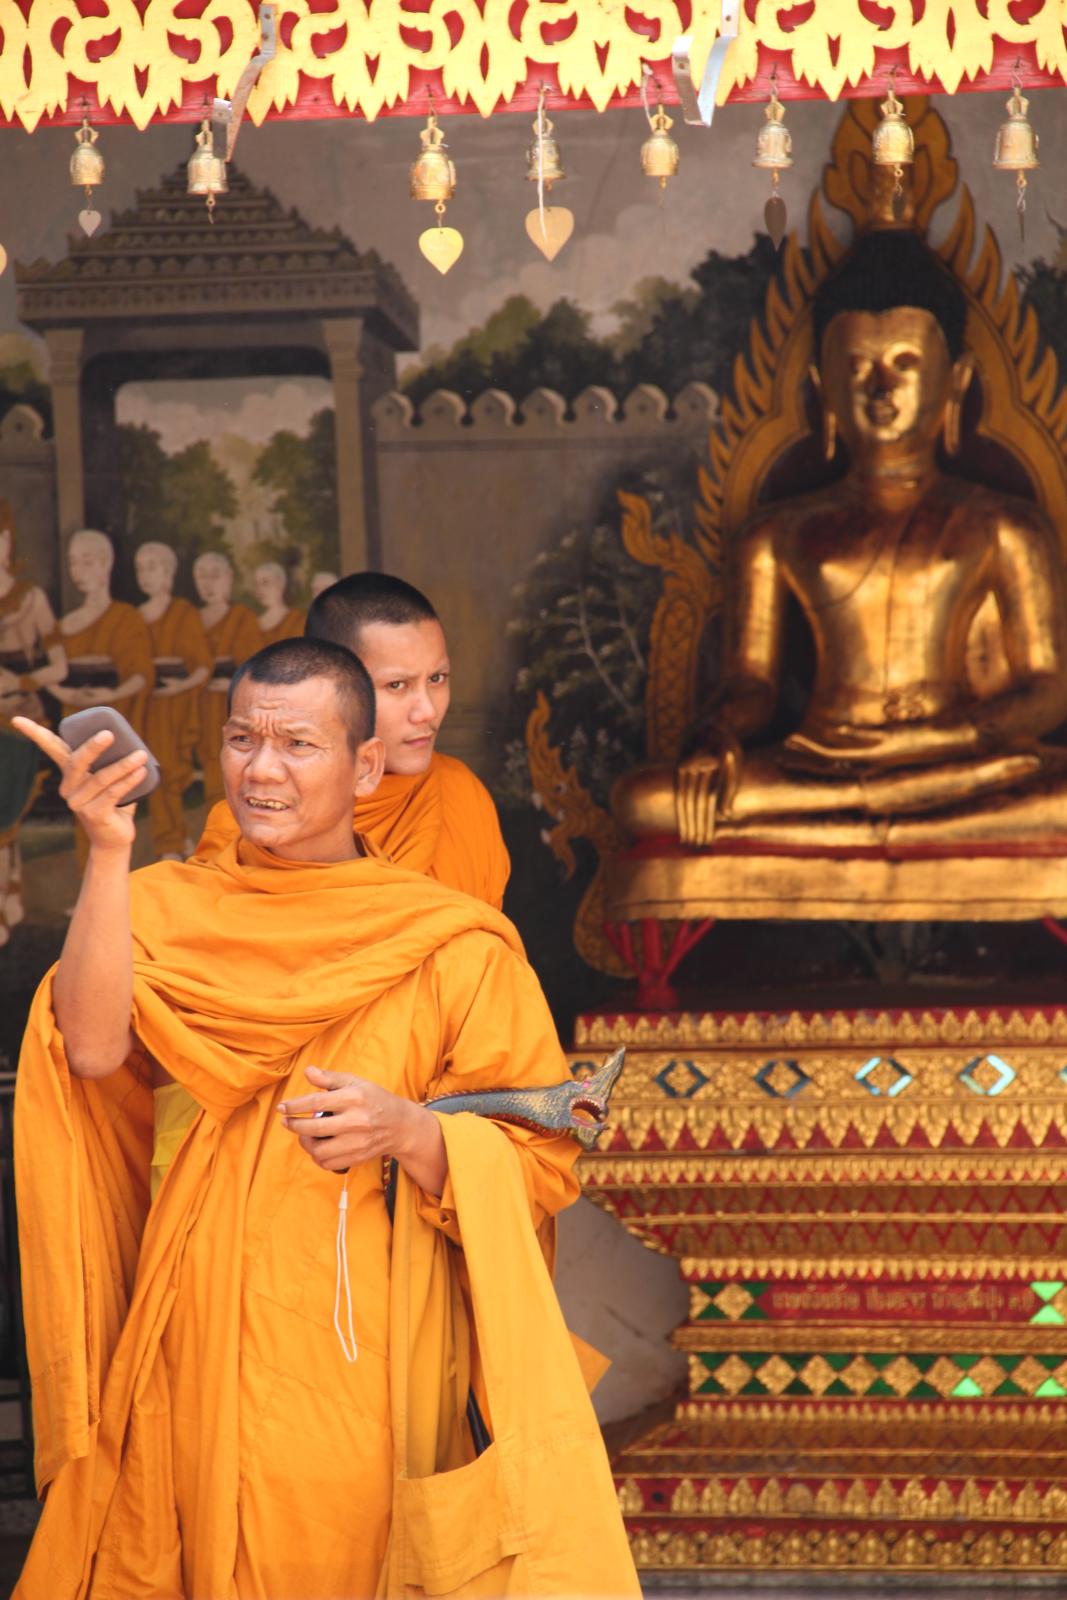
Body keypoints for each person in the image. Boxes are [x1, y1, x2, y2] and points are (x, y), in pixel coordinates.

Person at [12, 637, 637, 1599]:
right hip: (198, 1314)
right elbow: (90, 1049)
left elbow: (544, 1164)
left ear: (366, 766)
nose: (262, 770)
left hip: (364, 1343)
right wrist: (106, 851)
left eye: (297, 745)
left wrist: (413, 1133)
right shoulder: (171, 905)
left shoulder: (449, 944)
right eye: (241, 740)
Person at [613, 228, 1067, 848]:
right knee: (644, 800)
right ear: (823, 387)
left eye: (905, 364)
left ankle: (875, 824)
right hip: (821, 763)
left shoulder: (1006, 526)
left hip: (959, 761)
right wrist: (714, 734)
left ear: (956, 381)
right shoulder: (774, 535)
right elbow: (752, 686)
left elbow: (1050, 688)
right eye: (858, 368)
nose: (881, 389)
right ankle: (892, 822)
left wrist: (942, 738)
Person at [196, 573, 510, 907]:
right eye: (397, 686)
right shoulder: (251, 818)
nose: (427, 711)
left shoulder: (460, 793)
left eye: (437, 678)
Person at [0, 503, 67, 944]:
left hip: (18, 723)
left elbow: (60, 665)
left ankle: (8, 899)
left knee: (7, 814)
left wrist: (19, 679)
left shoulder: (31, 600)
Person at [136, 542, 213, 860]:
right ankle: (169, 841)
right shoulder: (135, 617)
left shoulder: (183, 613)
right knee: (155, 772)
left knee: (173, 773)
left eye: (153, 567)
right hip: (147, 706)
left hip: (179, 705)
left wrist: (179, 686)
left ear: (169, 572)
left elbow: (203, 666)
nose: (146, 575)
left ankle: (179, 838)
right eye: (141, 568)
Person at [193, 550, 261, 808]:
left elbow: (255, 665)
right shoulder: (190, 619)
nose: (208, 583)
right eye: (202, 576)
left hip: (234, 704)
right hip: (197, 703)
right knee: (207, 760)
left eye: (215, 576)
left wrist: (231, 682)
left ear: (228, 578)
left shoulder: (243, 618)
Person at [252, 559, 304, 645]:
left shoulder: (297, 620)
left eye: (265, 582)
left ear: (280, 584)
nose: (259, 590)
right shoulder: (253, 624)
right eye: (257, 584)